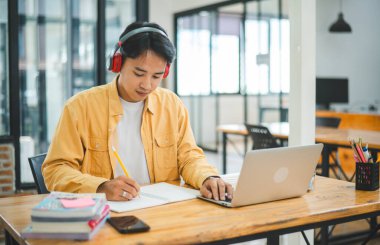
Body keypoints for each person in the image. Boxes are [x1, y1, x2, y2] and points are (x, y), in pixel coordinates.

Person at [42, 21, 233, 201]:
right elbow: (56, 170)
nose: (147, 84)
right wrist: (100, 187)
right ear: (118, 63)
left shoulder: (172, 105)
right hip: (104, 212)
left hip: (161, 210)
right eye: (138, 73)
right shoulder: (80, 107)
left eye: (157, 76)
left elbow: (189, 157)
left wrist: (207, 177)